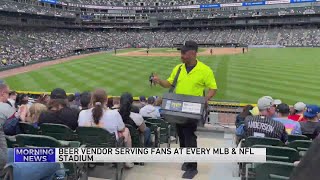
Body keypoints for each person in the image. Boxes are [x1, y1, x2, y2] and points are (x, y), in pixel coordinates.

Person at [153, 40, 218, 179]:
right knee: (181, 136)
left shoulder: (205, 70)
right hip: (178, 109)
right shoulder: (178, 68)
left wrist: (205, 100)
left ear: (193, 53)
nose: (181, 55)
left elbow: (213, 88)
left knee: (189, 137)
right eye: (181, 52)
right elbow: (169, 83)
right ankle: (187, 160)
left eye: (184, 52)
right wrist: (159, 81)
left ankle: (192, 167)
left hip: (192, 109)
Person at [78, 89, 133, 168]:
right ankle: (128, 160)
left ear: (92, 100)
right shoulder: (114, 114)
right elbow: (122, 129)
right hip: (108, 147)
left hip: (89, 146)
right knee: (126, 130)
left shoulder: (82, 113)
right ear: (106, 100)